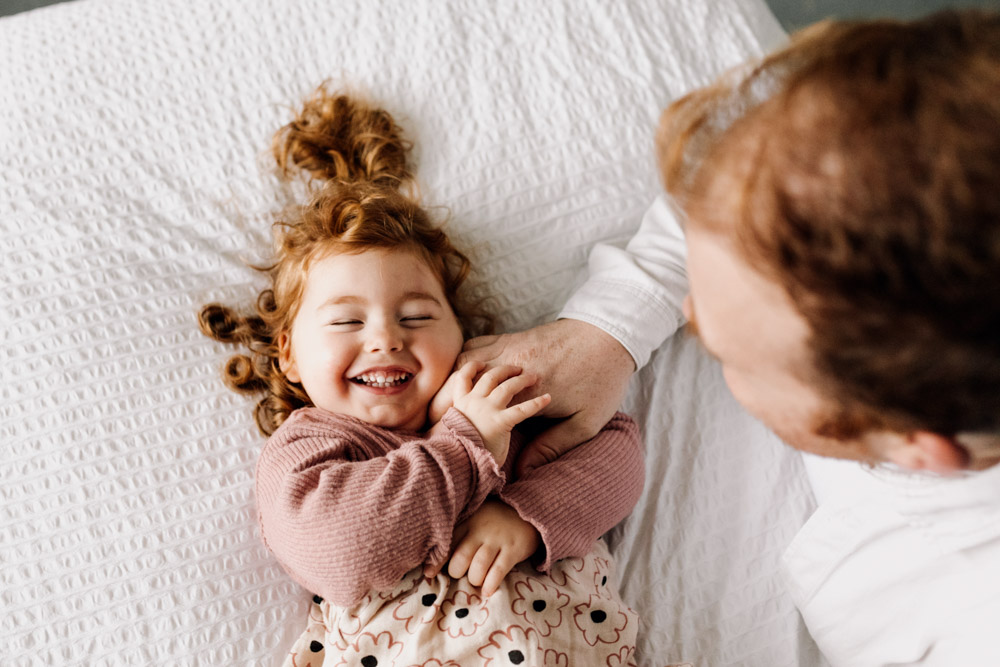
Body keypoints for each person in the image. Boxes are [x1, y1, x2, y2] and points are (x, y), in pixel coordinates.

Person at [461, 9, 1000, 666]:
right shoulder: (897, 138)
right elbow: (734, 196)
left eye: (728, 353)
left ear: (917, 446)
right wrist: (609, 328)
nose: (689, 310)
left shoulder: (964, 618)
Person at [198, 87, 645, 665]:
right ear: (288, 354)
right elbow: (338, 548)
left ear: (460, 332)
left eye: (416, 316)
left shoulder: (492, 396)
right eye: (346, 320)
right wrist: (465, 446)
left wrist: (528, 513)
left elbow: (615, 445)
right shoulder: (316, 446)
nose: (385, 337)